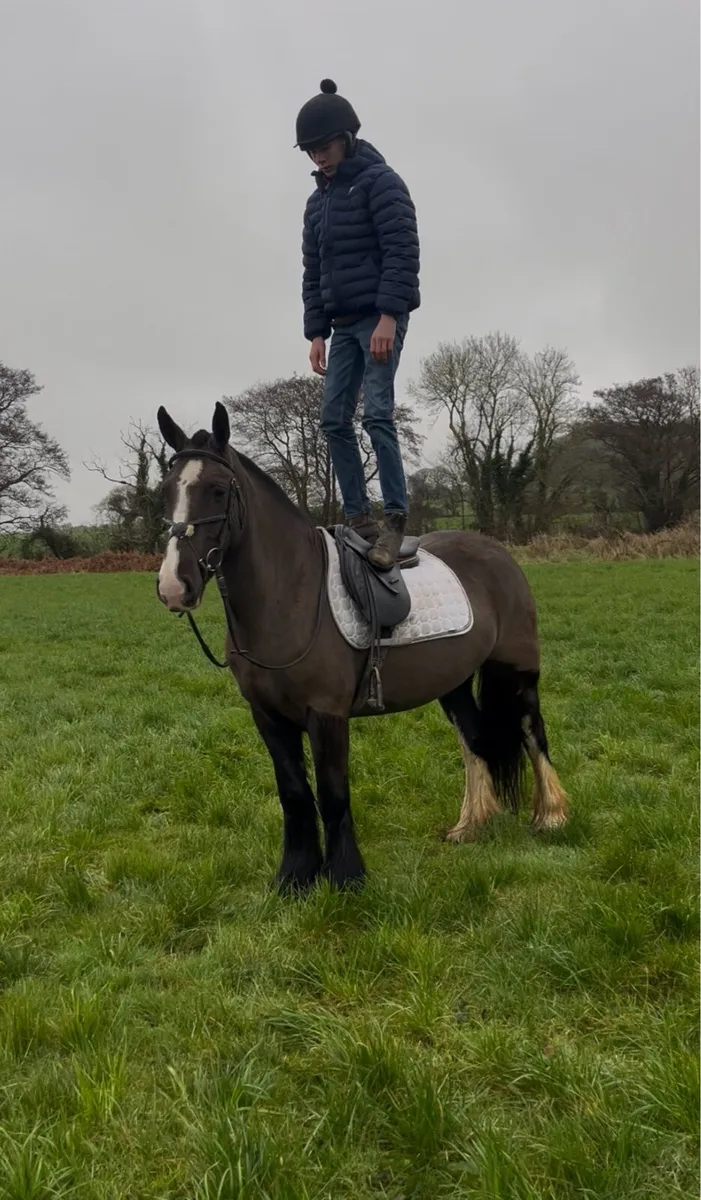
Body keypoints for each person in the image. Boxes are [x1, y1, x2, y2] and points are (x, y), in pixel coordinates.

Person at [296, 79, 420, 569]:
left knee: (377, 414)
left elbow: (402, 251)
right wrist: (315, 333)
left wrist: (389, 316)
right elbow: (313, 269)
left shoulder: (382, 183)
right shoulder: (316, 203)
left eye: (323, 147)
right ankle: (358, 519)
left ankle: (394, 521)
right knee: (332, 420)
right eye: (309, 151)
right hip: (341, 325)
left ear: (346, 138)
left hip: (379, 317)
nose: (317, 158)